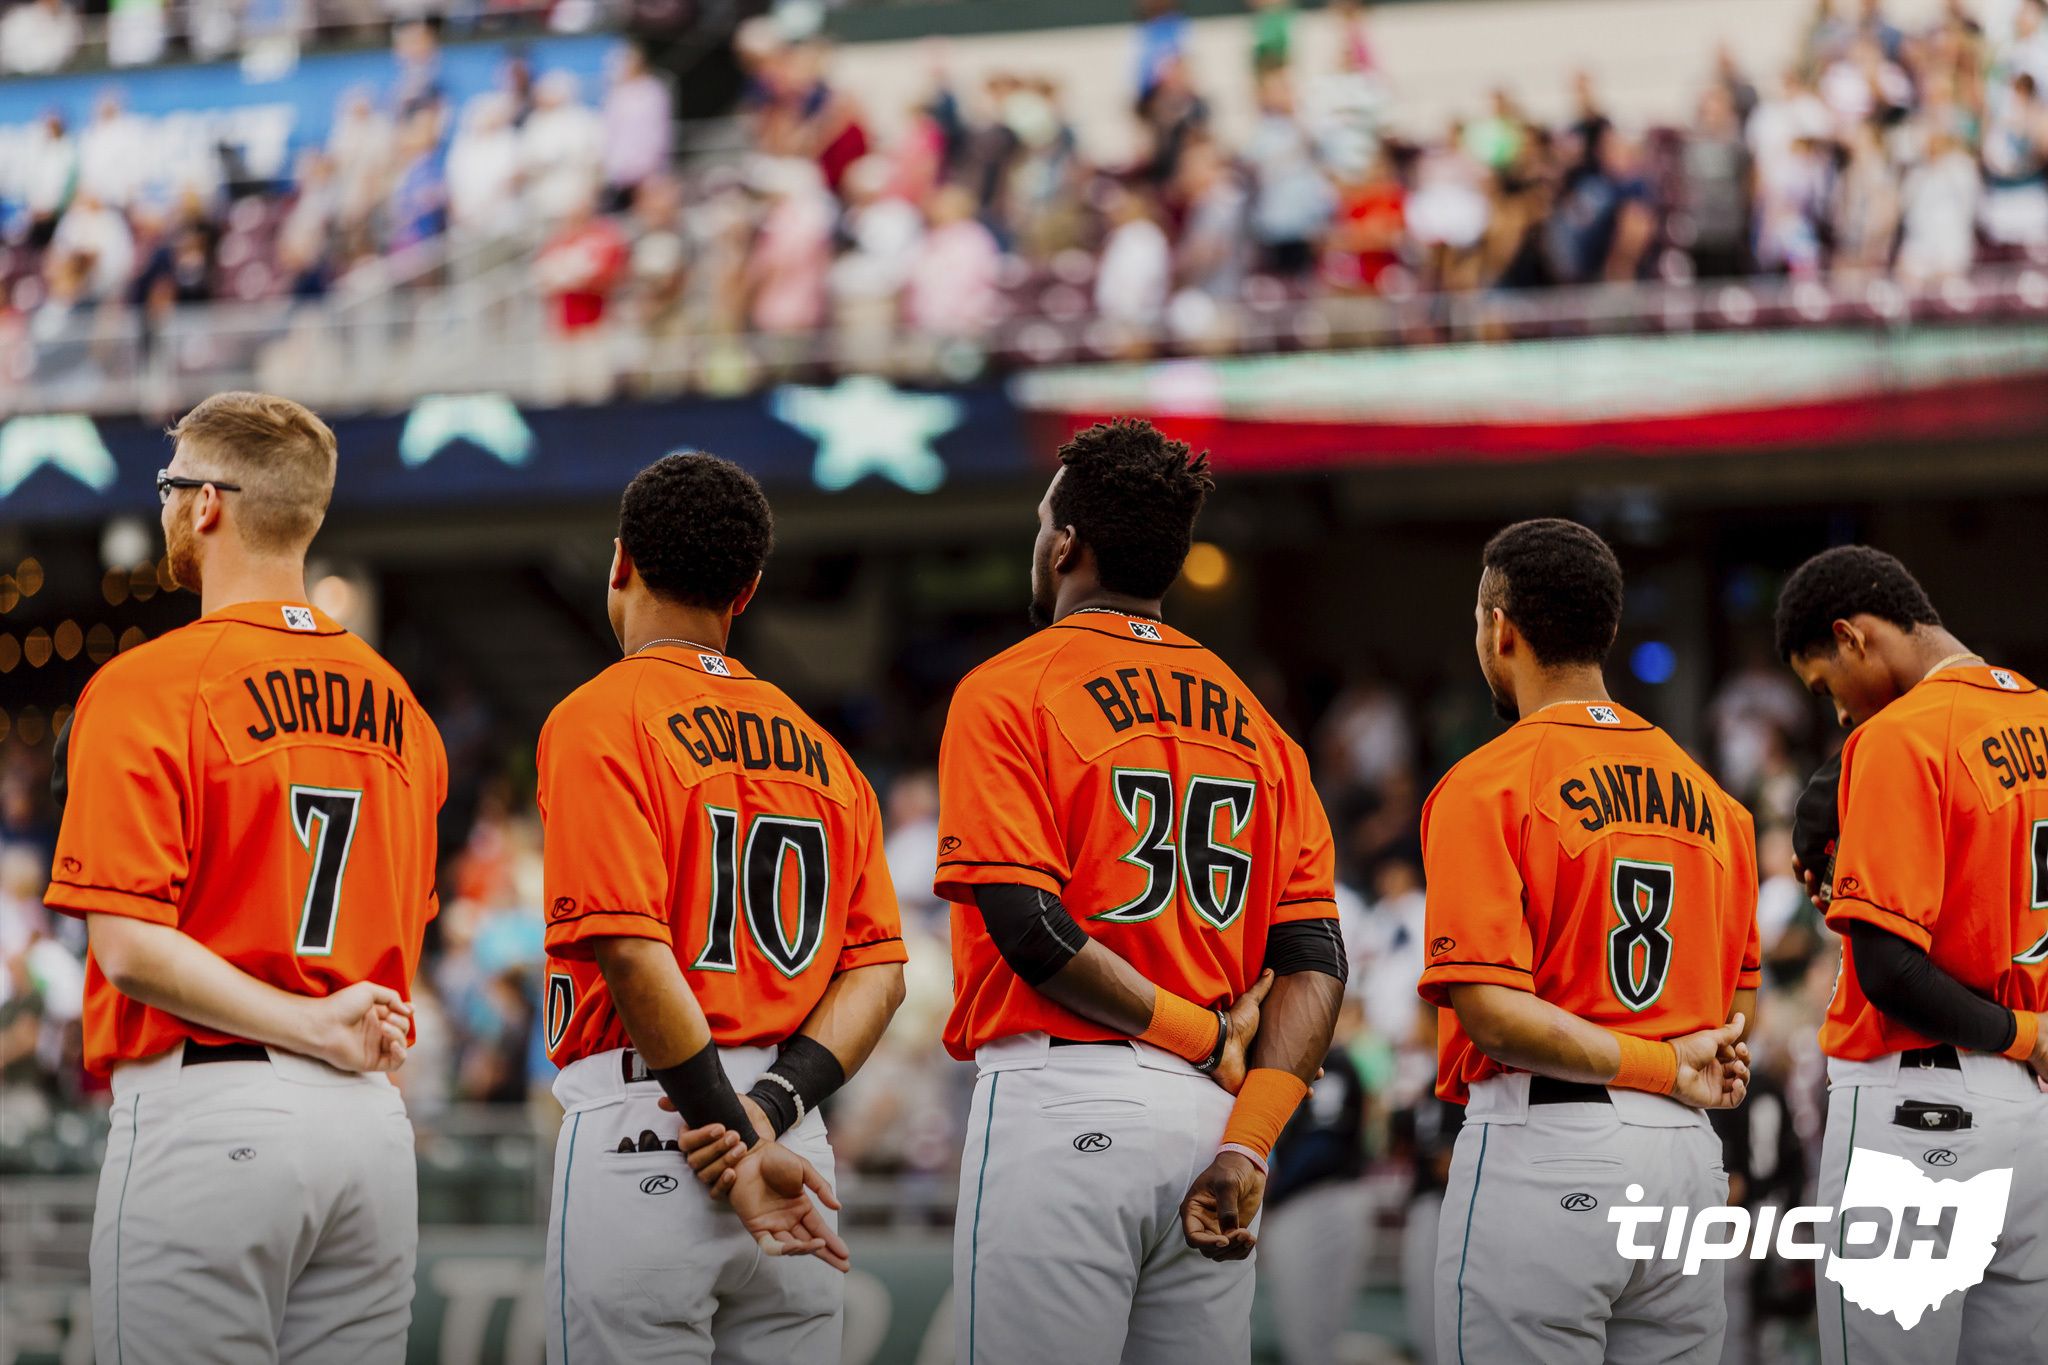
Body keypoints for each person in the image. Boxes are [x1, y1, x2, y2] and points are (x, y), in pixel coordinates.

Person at [43, 391, 447, 1364]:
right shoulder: (404, 706)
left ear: (209, 503)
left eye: (170, 485)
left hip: (216, 1101)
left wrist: (305, 1022)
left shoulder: (149, 682)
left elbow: (130, 948)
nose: (167, 506)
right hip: (367, 1127)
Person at [934, 419, 1346, 1365]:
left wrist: (1201, 1036)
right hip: (1209, 1119)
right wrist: (1248, 1143)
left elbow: (1031, 933)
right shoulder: (1261, 724)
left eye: (1045, 523)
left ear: (1068, 542)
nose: (1040, 540)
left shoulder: (1007, 688)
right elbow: (1317, 961)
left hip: (1064, 1093)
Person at [538, 451, 908, 1365]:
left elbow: (629, 947)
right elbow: (881, 971)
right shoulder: (826, 748)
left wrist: (728, 1132)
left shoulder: (600, 713)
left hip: (659, 1123)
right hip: (795, 1134)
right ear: (745, 591)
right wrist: (771, 1113)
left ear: (620, 562)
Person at [1418, 518, 1758, 1364]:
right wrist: (1673, 1066)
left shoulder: (1487, 779)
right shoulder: (1719, 801)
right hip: (1684, 1154)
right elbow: (1732, 1015)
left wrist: (1656, 1063)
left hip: (1550, 1144)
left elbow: (1494, 1015)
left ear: (1503, 627)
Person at [1773, 544, 2048, 1365]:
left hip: (1920, 1110)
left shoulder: (1897, 736)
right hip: (2027, 1118)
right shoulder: (2037, 710)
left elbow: (1890, 974)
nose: (1837, 713)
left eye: (1826, 685)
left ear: (1853, 637)